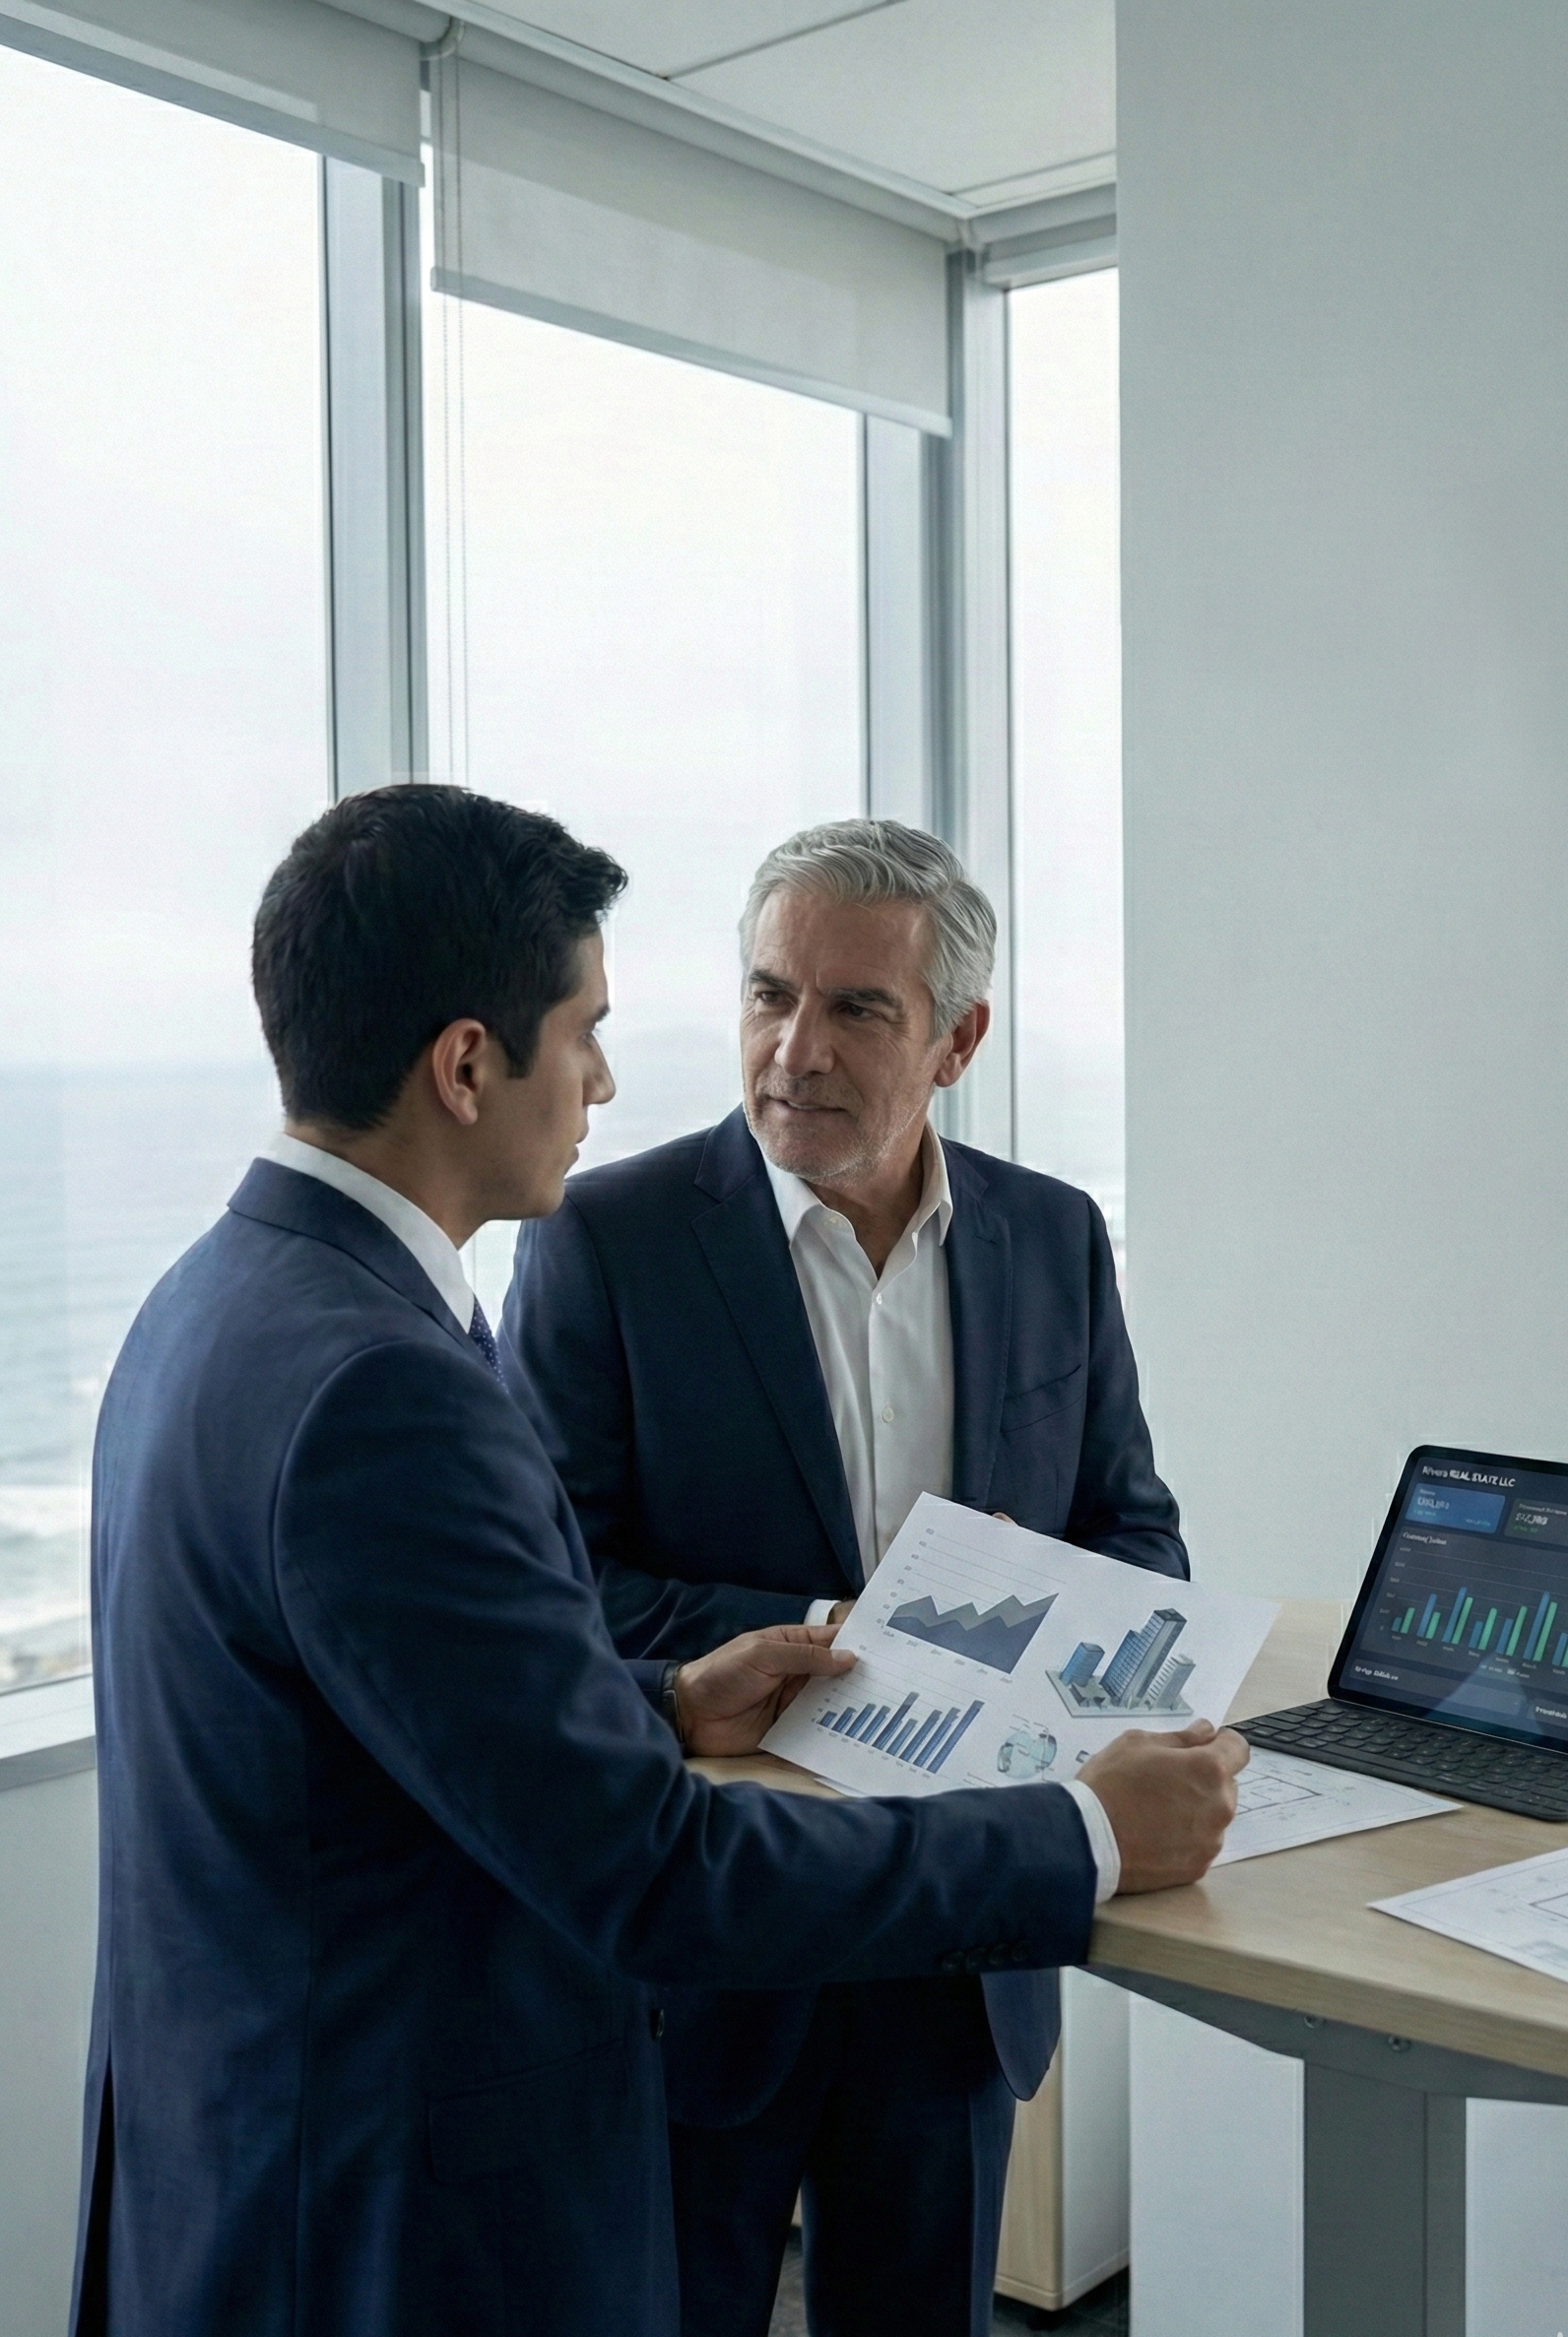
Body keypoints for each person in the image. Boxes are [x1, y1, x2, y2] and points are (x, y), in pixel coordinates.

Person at [72, 787, 1244, 2337]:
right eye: (586, 1032)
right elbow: (653, 1873)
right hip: (389, 2201)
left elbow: (429, 1695)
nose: (610, 1080)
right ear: (468, 1064)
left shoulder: (217, 1296)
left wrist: (662, 1702)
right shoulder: (387, 1386)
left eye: (855, 1007)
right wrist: (1083, 1838)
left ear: (954, 1042)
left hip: (267, 2159)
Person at [502, 818, 1191, 2337]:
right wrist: (813, 1635)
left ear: (959, 1039)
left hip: (955, 1944)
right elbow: (551, 1588)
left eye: (856, 1009)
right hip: (708, 1937)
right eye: (768, 995)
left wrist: (1064, 1660)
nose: (793, 1050)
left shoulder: (1056, 1238)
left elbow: (1137, 1534)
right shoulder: (604, 1241)